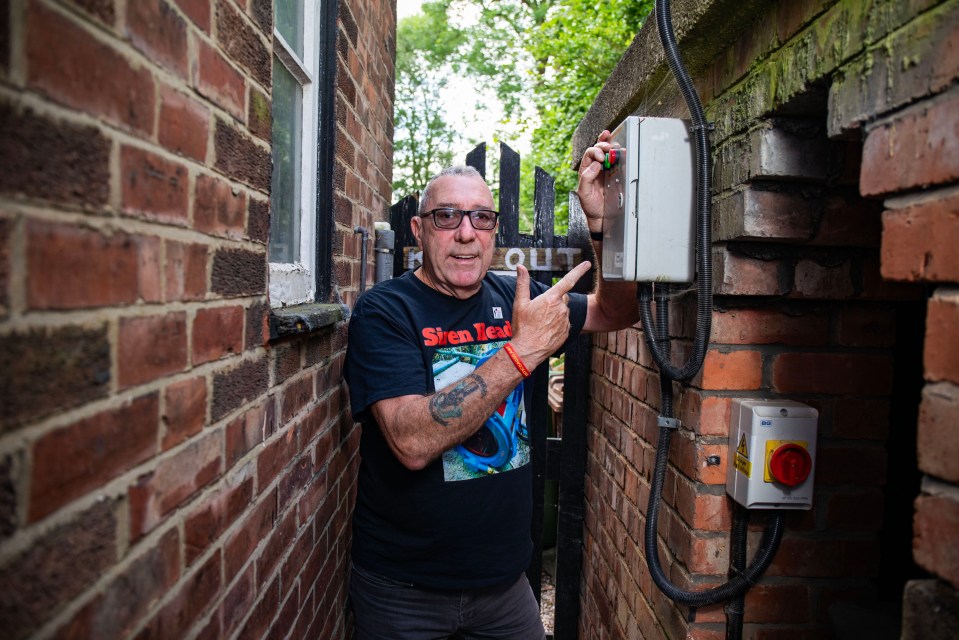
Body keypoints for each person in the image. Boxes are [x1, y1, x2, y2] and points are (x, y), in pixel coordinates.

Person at [344, 131, 637, 639]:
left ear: (494, 231)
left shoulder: (517, 297)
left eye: (481, 217)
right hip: (403, 593)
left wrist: (604, 221)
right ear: (418, 230)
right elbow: (411, 441)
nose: (465, 233)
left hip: (505, 589)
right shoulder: (385, 311)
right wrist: (521, 351)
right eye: (447, 216)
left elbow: (615, 311)